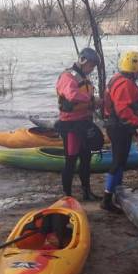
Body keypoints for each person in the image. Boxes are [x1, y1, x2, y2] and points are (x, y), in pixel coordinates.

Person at [101, 50, 138, 213]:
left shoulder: (120, 79)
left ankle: (116, 192)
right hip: (118, 127)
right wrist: (137, 124)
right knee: (118, 161)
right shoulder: (125, 83)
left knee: (120, 161)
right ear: (134, 66)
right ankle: (107, 199)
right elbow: (122, 109)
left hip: (118, 125)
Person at [55, 47, 103, 201]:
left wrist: (97, 103)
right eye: (91, 65)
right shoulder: (68, 76)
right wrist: (91, 100)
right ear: (82, 61)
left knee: (86, 158)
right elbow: (72, 95)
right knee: (71, 160)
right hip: (70, 126)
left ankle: (86, 192)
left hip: (84, 123)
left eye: (94, 66)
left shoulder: (84, 78)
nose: (92, 69)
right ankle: (67, 196)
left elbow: (86, 99)